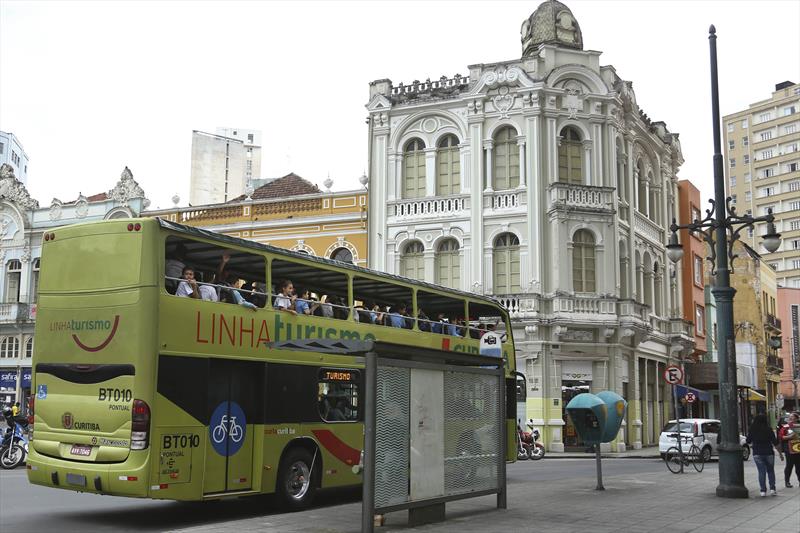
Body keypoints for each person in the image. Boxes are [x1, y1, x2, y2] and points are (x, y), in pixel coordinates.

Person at [747, 414, 783, 496]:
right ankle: (772, 489)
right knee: (770, 471)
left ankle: (763, 491)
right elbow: (775, 442)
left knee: (761, 472)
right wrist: (780, 454)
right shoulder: (769, 429)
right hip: (769, 452)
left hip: (757, 453)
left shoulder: (752, 429)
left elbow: (748, 441)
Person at [779, 411, 800, 488]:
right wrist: (790, 437)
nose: (790, 418)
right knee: (789, 465)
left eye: (792, 416)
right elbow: (781, 437)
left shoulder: (798, 426)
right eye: (790, 416)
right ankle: (787, 481)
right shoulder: (786, 426)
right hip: (789, 448)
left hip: (798, 448)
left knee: (799, 465)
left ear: (797, 418)